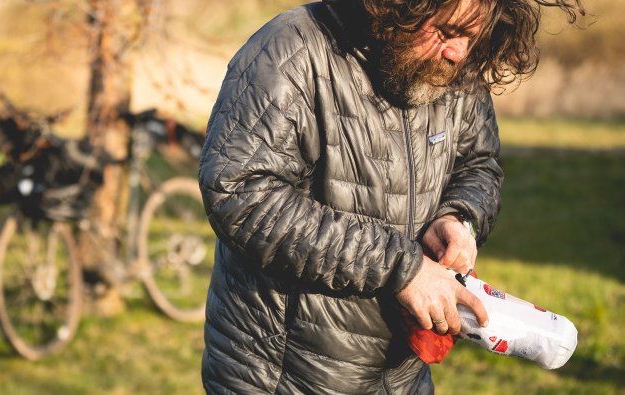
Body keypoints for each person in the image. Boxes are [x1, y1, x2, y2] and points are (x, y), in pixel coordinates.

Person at [198, 0, 585, 393]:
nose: (460, 53)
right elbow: (241, 192)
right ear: (394, 9)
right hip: (285, 376)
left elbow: (478, 162)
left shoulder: (456, 67)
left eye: (473, 37)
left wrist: (459, 217)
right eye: (447, 33)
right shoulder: (290, 49)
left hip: (403, 377)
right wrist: (403, 268)